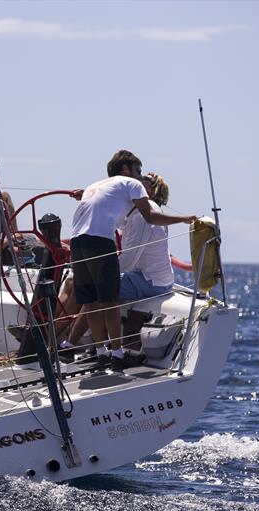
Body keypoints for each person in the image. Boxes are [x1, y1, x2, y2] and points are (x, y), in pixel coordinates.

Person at [69, 150, 196, 370]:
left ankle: (75, 346)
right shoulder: (131, 200)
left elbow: (127, 256)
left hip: (145, 277)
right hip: (124, 263)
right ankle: (99, 351)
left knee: (95, 298)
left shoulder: (111, 196)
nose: (140, 177)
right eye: (139, 171)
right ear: (126, 170)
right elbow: (134, 220)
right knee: (96, 297)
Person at [59, 171, 178, 354]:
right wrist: (88, 195)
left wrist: (98, 269)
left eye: (143, 180)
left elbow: (129, 261)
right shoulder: (132, 212)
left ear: (151, 191)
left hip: (150, 280)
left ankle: (67, 343)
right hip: (139, 275)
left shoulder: (142, 216)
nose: (137, 181)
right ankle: (55, 335)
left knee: (95, 289)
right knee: (72, 282)